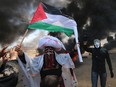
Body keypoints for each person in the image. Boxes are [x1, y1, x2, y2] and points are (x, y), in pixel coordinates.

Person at [11, 36, 78, 87]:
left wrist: (75, 49)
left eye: (51, 49)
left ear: (54, 50)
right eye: (47, 49)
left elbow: (70, 56)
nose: (49, 52)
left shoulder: (60, 58)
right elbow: (29, 63)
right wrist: (21, 53)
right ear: (44, 50)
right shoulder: (39, 60)